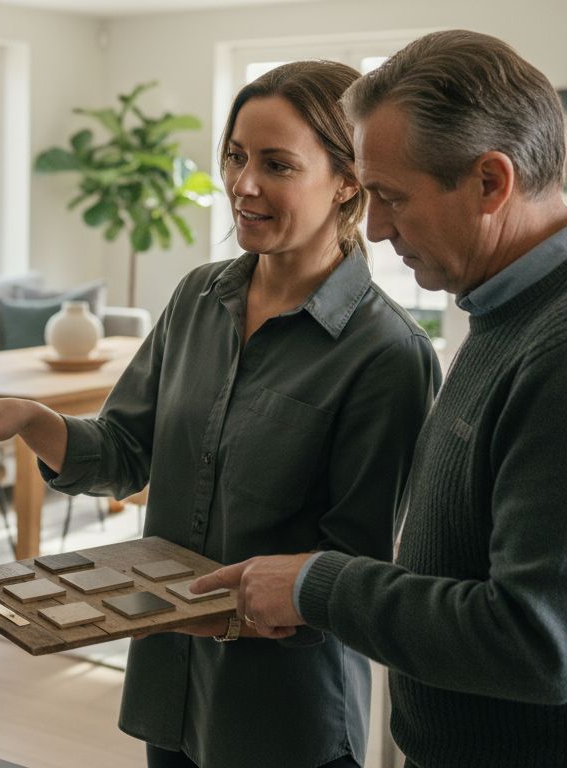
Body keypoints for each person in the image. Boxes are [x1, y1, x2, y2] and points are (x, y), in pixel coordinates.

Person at [0, 60, 440, 768]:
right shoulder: (199, 297)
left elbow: (352, 578)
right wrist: (32, 419)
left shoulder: (388, 355)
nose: (241, 185)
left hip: (283, 721)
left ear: (349, 180)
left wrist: (214, 608)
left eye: (276, 165)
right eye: (235, 157)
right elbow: (126, 449)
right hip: (170, 691)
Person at [192, 30, 567, 768]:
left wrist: (315, 585)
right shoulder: (504, 312)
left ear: (491, 182)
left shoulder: (556, 350)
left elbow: (538, 641)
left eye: (392, 198)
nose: (376, 228)